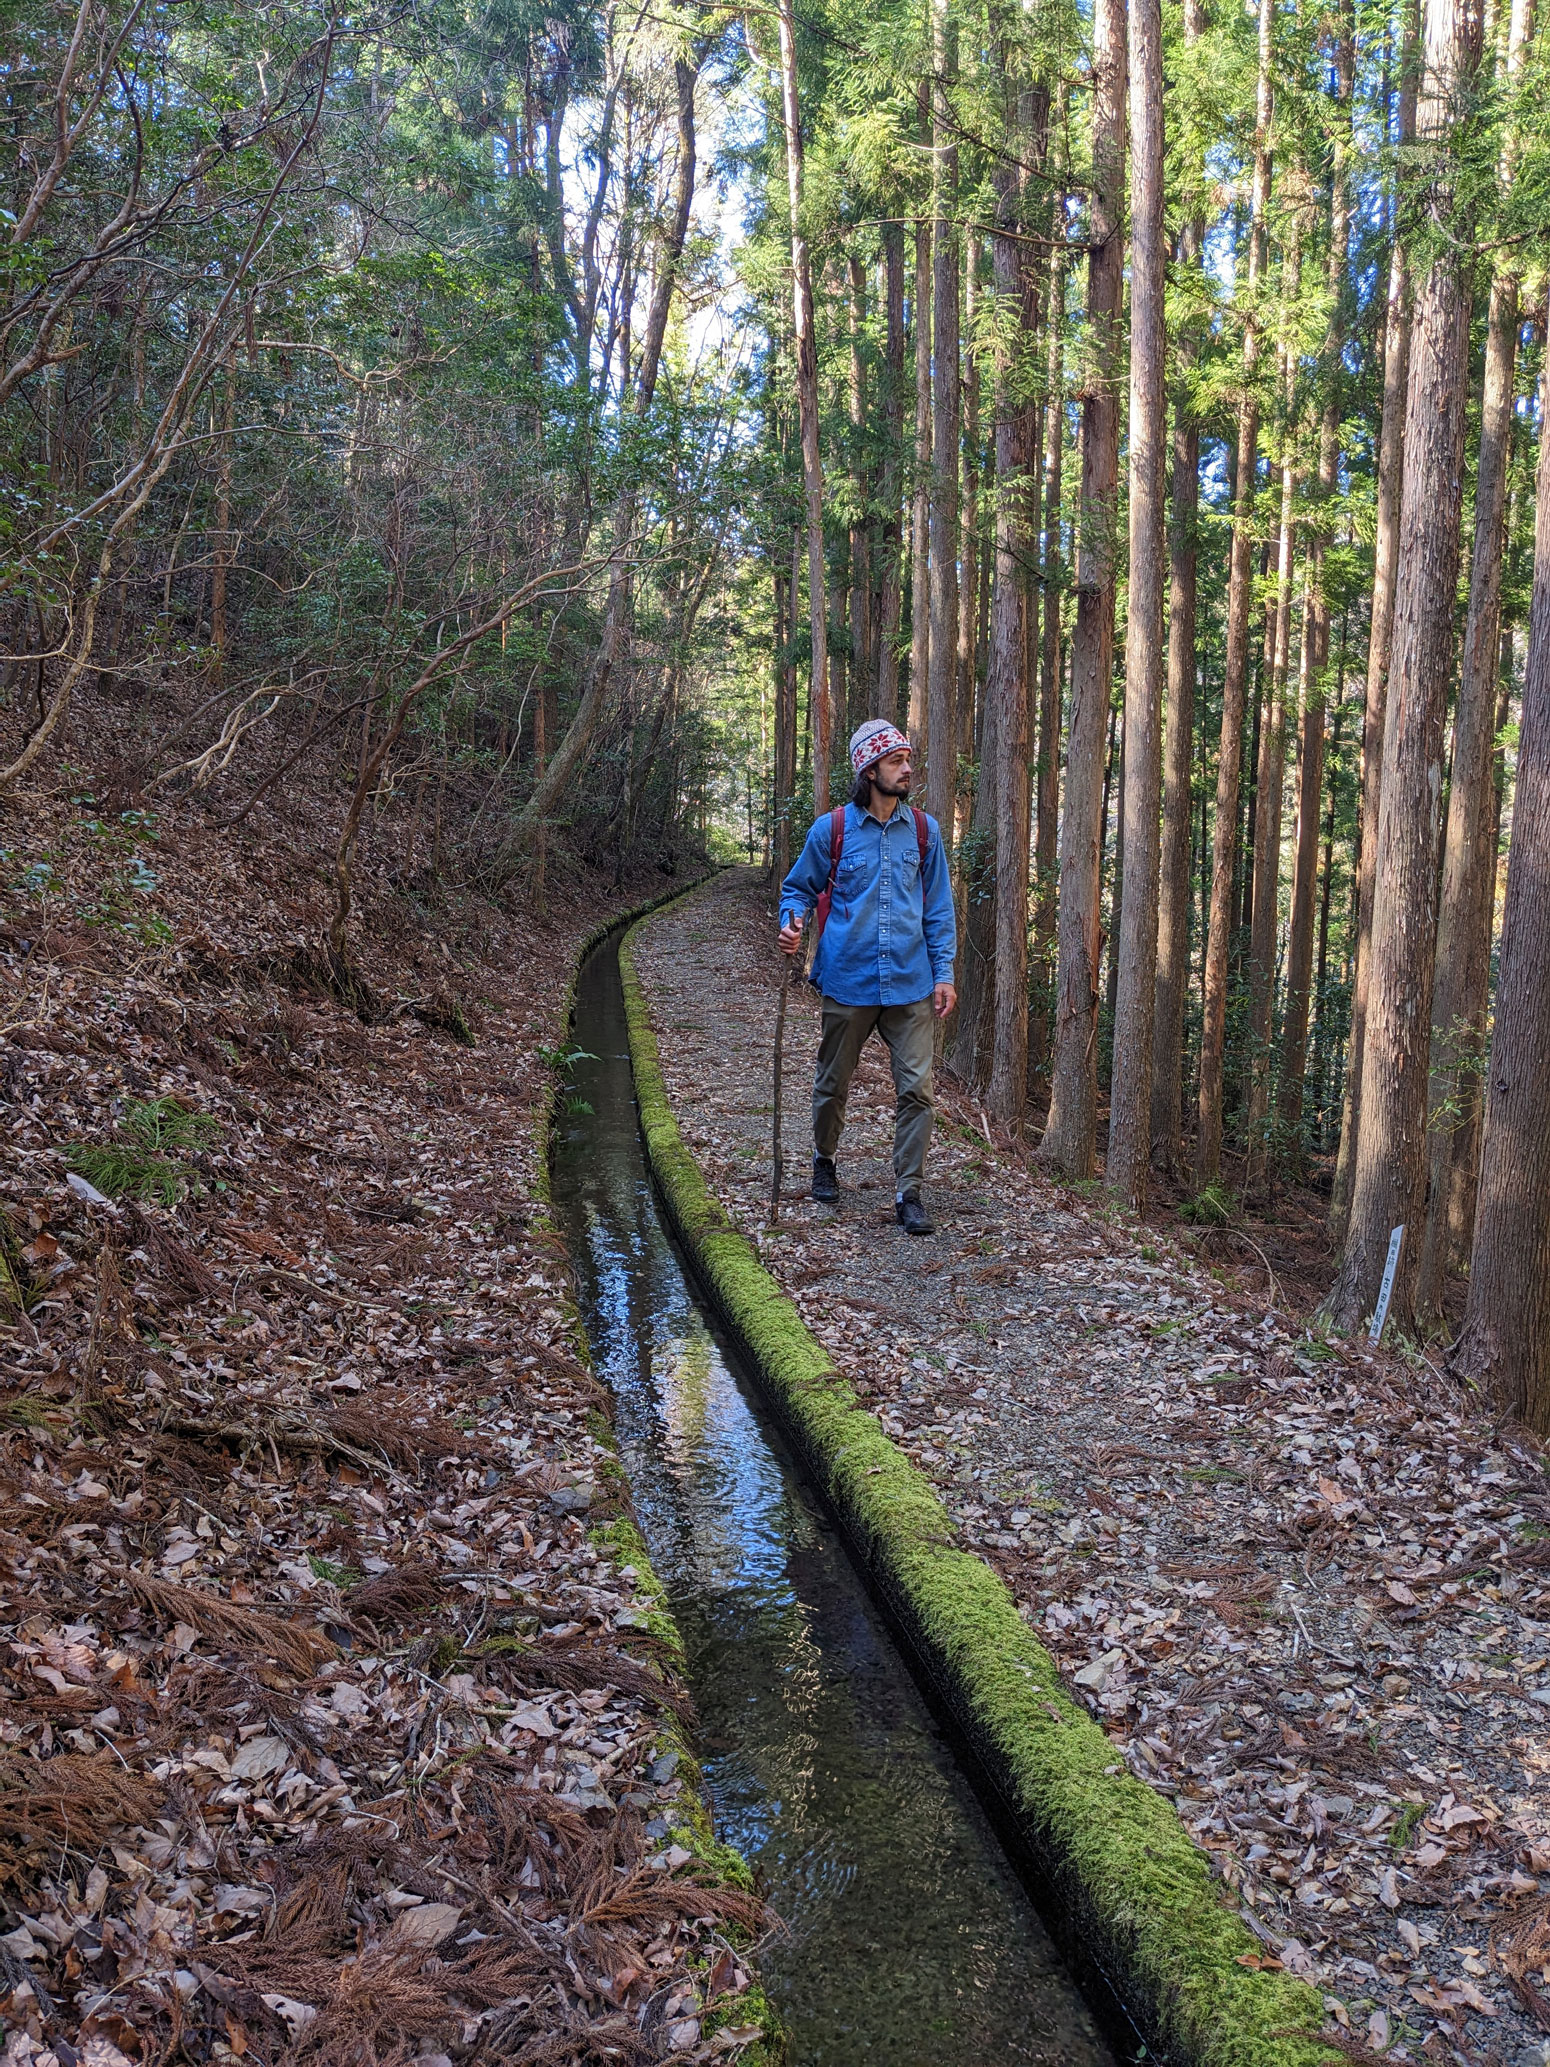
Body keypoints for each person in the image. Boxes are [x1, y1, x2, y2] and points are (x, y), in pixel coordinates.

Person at [778, 719, 957, 1235]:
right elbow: (798, 890)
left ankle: (909, 1192)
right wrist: (791, 926)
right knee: (833, 1083)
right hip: (848, 981)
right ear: (869, 768)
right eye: (897, 760)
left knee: (917, 1091)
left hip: (911, 984)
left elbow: (939, 910)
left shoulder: (924, 832)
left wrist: (943, 973)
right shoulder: (831, 830)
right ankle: (824, 1160)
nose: (907, 768)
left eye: (907, 759)